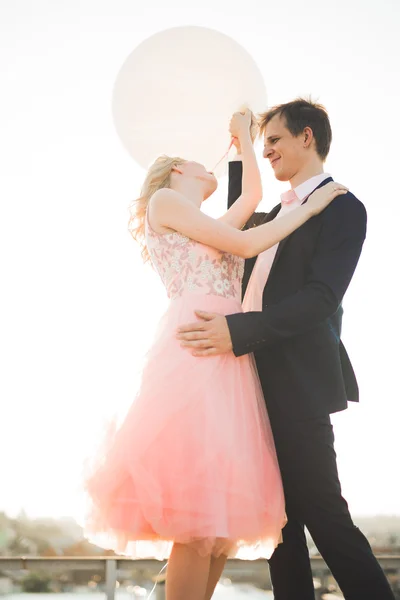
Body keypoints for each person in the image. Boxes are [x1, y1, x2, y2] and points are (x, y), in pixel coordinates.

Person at [84, 109, 346, 600]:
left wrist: (246, 141)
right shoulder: (164, 201)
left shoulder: (203, 224)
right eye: (198, 162)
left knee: (220, 527)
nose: (210, 166)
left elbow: (249, 199)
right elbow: (246, 244)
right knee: (196, 519)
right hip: (196, 354)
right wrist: (308, 210)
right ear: (177, 170)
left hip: (229, 357)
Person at [177, 99, 395, 600]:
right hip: (246, 386)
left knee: (324, 515)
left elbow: (321, 299)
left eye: (273, 139)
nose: (267, 149)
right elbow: (237, 218)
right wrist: (240, 151)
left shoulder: (343, 208)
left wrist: (237, 332)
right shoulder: (275, 215)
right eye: (263, 143)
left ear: (307, 137)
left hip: (298, 385)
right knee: (277, 528)